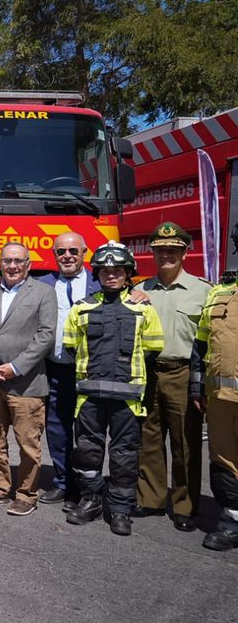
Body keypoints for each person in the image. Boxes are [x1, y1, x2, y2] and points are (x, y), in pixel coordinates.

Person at [63, 242, 164, 536]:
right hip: (89, 398)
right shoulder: (81, 308)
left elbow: (153, 348)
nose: (111, 276)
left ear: (128, 273)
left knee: (124, 455)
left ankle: (120, 509)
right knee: (87, 452)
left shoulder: (143, 309)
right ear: (97, 273)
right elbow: (70, 347)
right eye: (105, 271)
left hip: (127, 399)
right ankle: (91, 500)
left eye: (117, 271)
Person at [0, 242, 57, 516]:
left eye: (18, 260)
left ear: (28, 264)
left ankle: (26, 493)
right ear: (0, 263)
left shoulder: (44, 293)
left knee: (28, 444)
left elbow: (46, 336)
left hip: (27, 383)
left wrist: (15, 367)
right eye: (7, 260)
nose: (12, 266)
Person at [135, 222, 212, 532]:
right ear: (153, 253)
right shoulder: (140, 290)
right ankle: (151, 499)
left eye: (173, 250)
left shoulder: (203, 290)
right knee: (149, 440)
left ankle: (184, 505)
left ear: (184, 252)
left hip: (183, 373)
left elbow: (208, 341)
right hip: (149, 372)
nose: (166, 254)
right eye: (160, 250)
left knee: (185, 442)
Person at [36, 232, 100, 508]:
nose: (67, 257)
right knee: (57, 428)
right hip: (55, 369)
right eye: (61, 252)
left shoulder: (100, 282)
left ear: (85, 252)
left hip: (89, 371)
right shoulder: (42, 284)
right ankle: (63, 483)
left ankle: (88, 489)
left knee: (88, 432)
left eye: (73, 251)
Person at [190, 230, 238, 550]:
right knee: (224, 458)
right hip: (221, 398)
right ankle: (232, 519)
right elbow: (201, 343)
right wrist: (197, 386)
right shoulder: (220, 293)